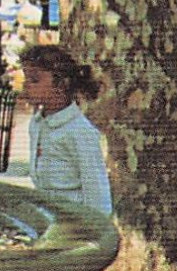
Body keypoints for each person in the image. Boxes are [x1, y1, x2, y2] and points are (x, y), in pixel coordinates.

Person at [15, 43, 113, 217]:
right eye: (26, 79)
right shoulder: (37, 124)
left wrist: (96, 232)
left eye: (35, 80)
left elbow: (97, 189)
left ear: (61, 84)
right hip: (48, 216)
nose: (26, 86)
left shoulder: (79, 131)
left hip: (75, 221)